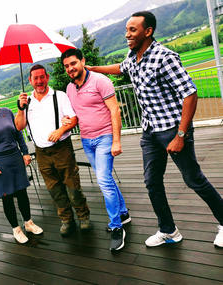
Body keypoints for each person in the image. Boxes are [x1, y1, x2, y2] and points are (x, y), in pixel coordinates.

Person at [86, 10, 223, 247]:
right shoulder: (133, 57)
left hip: (172, 129)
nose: (126, 34)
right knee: (152, 182)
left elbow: (190, 94)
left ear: (148, 31)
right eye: (127, 29)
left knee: (194, 180)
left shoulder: (164, 57)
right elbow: (121, 68)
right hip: (150, 131)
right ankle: (168, 230)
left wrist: (181, 135)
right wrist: (93, 68)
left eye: (132, 30)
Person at [60, 48, 130, 251]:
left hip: (105, 137)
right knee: (104, 177)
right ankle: (123, 212)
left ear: (82, 61)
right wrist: (66, 119)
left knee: (103, 180)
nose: (70, 68)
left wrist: (116, 140)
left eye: (73, 63)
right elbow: (73, 113)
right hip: (87, 140)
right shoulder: (70, 88)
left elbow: (115, 110)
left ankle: (117, 227)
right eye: (66, 66)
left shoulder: (100, 81)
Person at [15, 64, 91, 237]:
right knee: (54, 189)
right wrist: (20, 108)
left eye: (42, 77)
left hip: (61, 149)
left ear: (47, 77)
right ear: (30, 80)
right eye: (36, 78)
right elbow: (19, 126)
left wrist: (60, 131)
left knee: (72, 185)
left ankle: (83, 217)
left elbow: (73, 119)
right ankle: (66, 220)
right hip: (41, 152)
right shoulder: (27, 102)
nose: (39, 81)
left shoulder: (59, 96)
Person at [0, 84, 43, 244]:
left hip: (15, 157)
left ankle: (29, 223)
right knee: (7, 197)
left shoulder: (7, 112)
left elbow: (18, 133)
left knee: (22, 193)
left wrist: (25, 152)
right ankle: (16, 229)